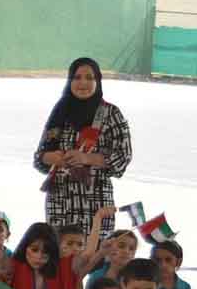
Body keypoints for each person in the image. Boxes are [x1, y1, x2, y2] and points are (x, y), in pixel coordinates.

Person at [34, 57, 132, 231]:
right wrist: (53, 158)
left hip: (96, 205)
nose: (83, 83)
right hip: (60, 204)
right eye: (77, 77)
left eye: (89, 77)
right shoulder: (60, 111)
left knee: (96, 248)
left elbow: (123, 157)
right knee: (59, 247)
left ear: (97, 81)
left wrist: (86, 158)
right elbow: (39, 158)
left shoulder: (111, 113)